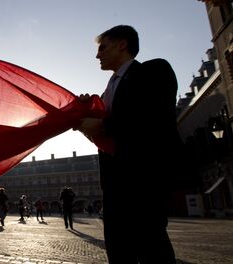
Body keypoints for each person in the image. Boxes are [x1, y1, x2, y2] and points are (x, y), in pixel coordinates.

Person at [75, 25, 179, 263]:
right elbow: (101, 137)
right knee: (118, 247)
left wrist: (101, 124)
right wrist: (84, 119)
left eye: (103, 47)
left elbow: (153, 114)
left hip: (144, 174)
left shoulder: (154, 70)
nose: (97, 55)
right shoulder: (103, 95)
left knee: (152, 244)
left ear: (122, 44)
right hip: (113, 182)